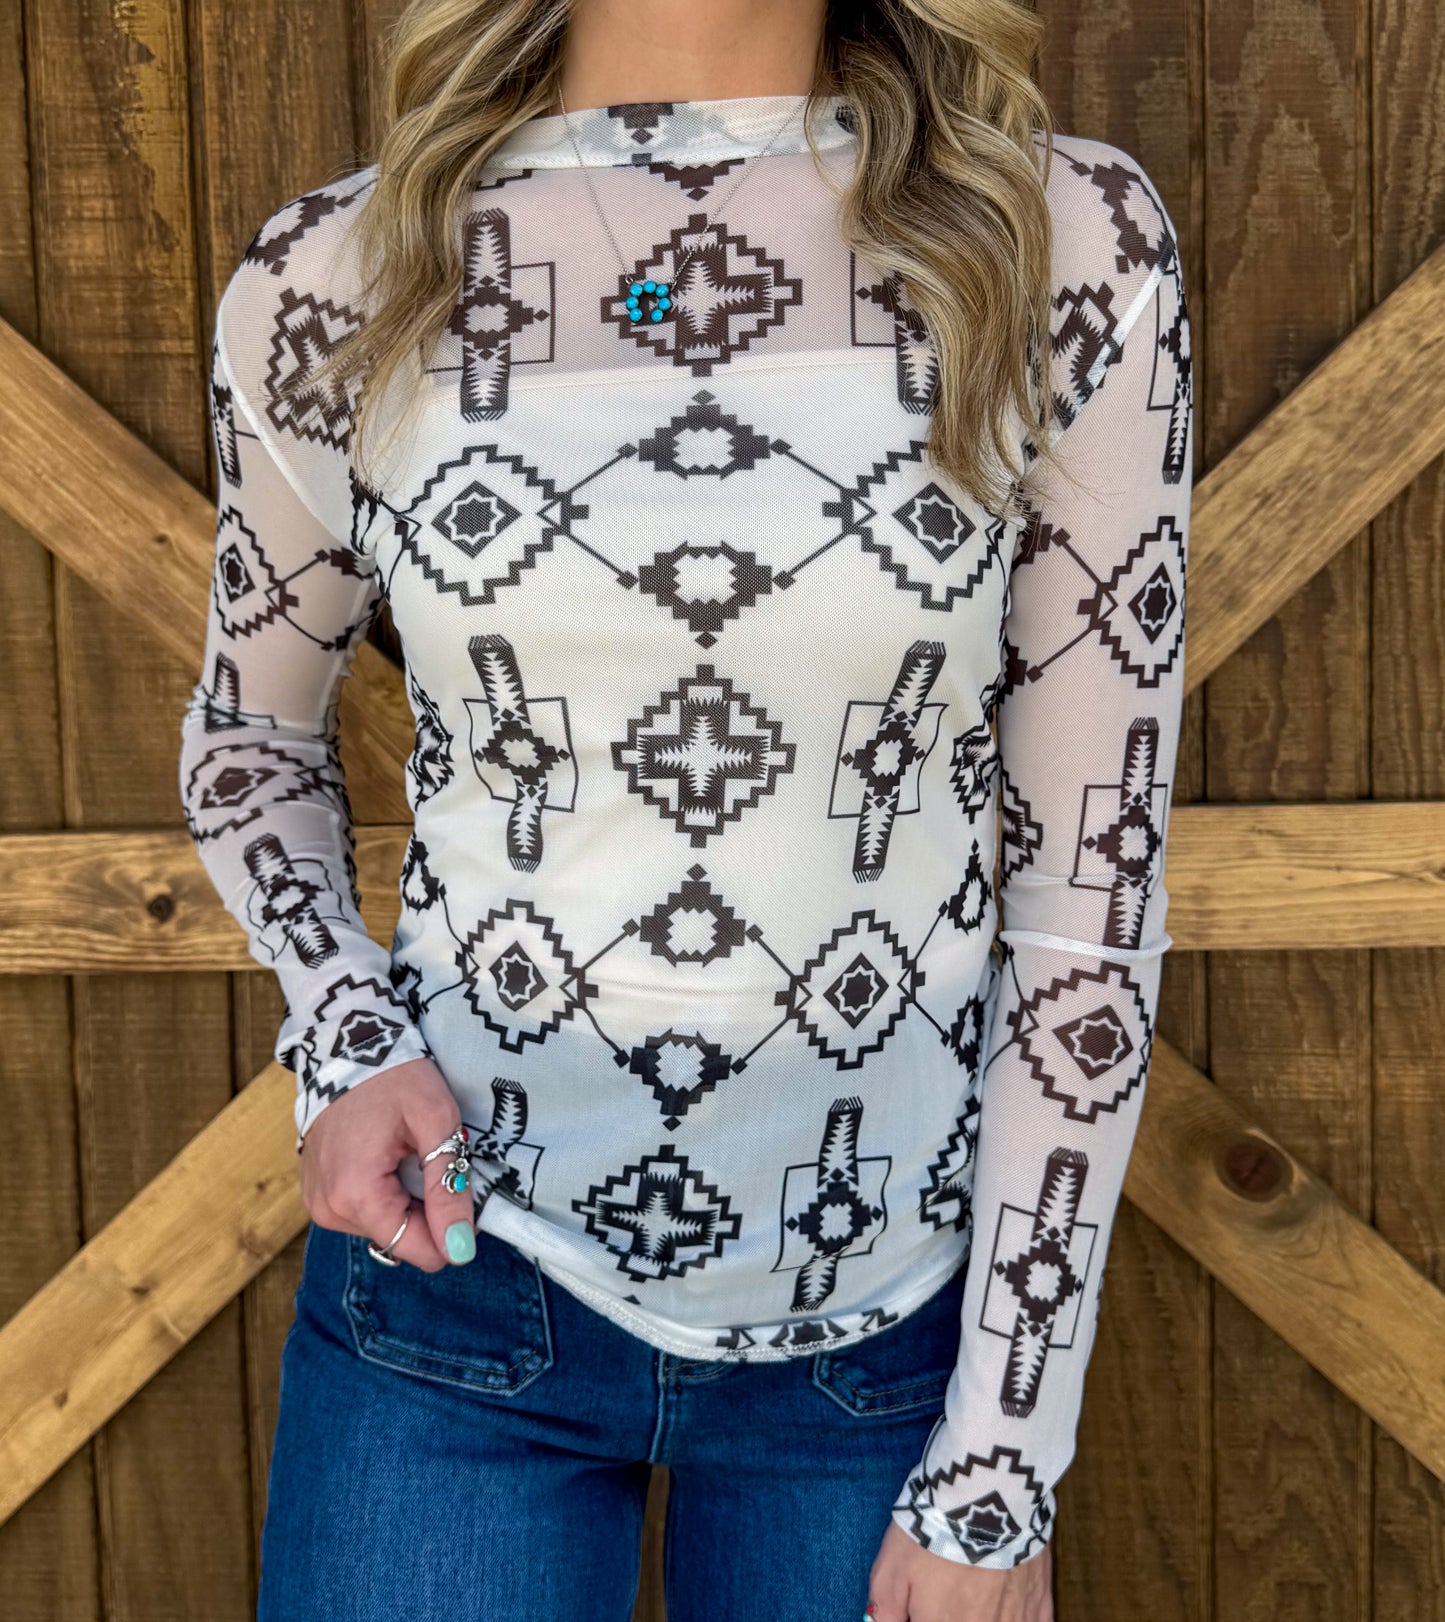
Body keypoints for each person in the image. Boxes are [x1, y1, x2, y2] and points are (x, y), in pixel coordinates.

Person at [177, 0, 1193, 1617]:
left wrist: (1001, 1463)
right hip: (457, 1297)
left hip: (880, 1349)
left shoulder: (1059, 241)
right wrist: (348, 1035)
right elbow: (249, 739)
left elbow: (1089, 894)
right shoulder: (342, 277)